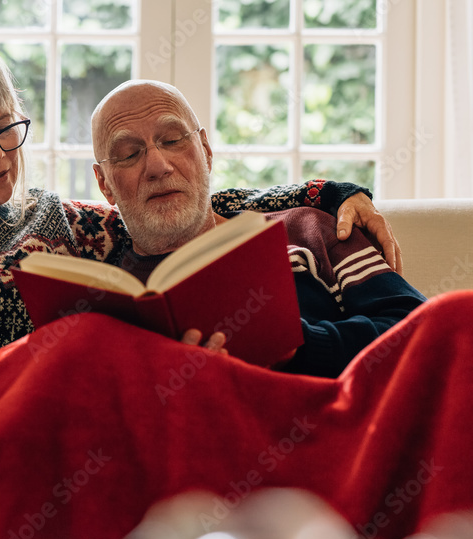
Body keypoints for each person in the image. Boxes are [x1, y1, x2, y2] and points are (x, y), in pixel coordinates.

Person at [0, 41, 401, 441]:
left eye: (6, 130)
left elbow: (177, 205)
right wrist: (28, 366)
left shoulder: (60, 222)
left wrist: (330, 191)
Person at [89, 80, 427, 376]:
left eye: (173, 139)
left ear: (206, 152)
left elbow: (421, 331)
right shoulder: (115, 301)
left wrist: (301, 348)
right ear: (105, 184)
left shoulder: (309, 229)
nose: (158, 166)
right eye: (128, 155)